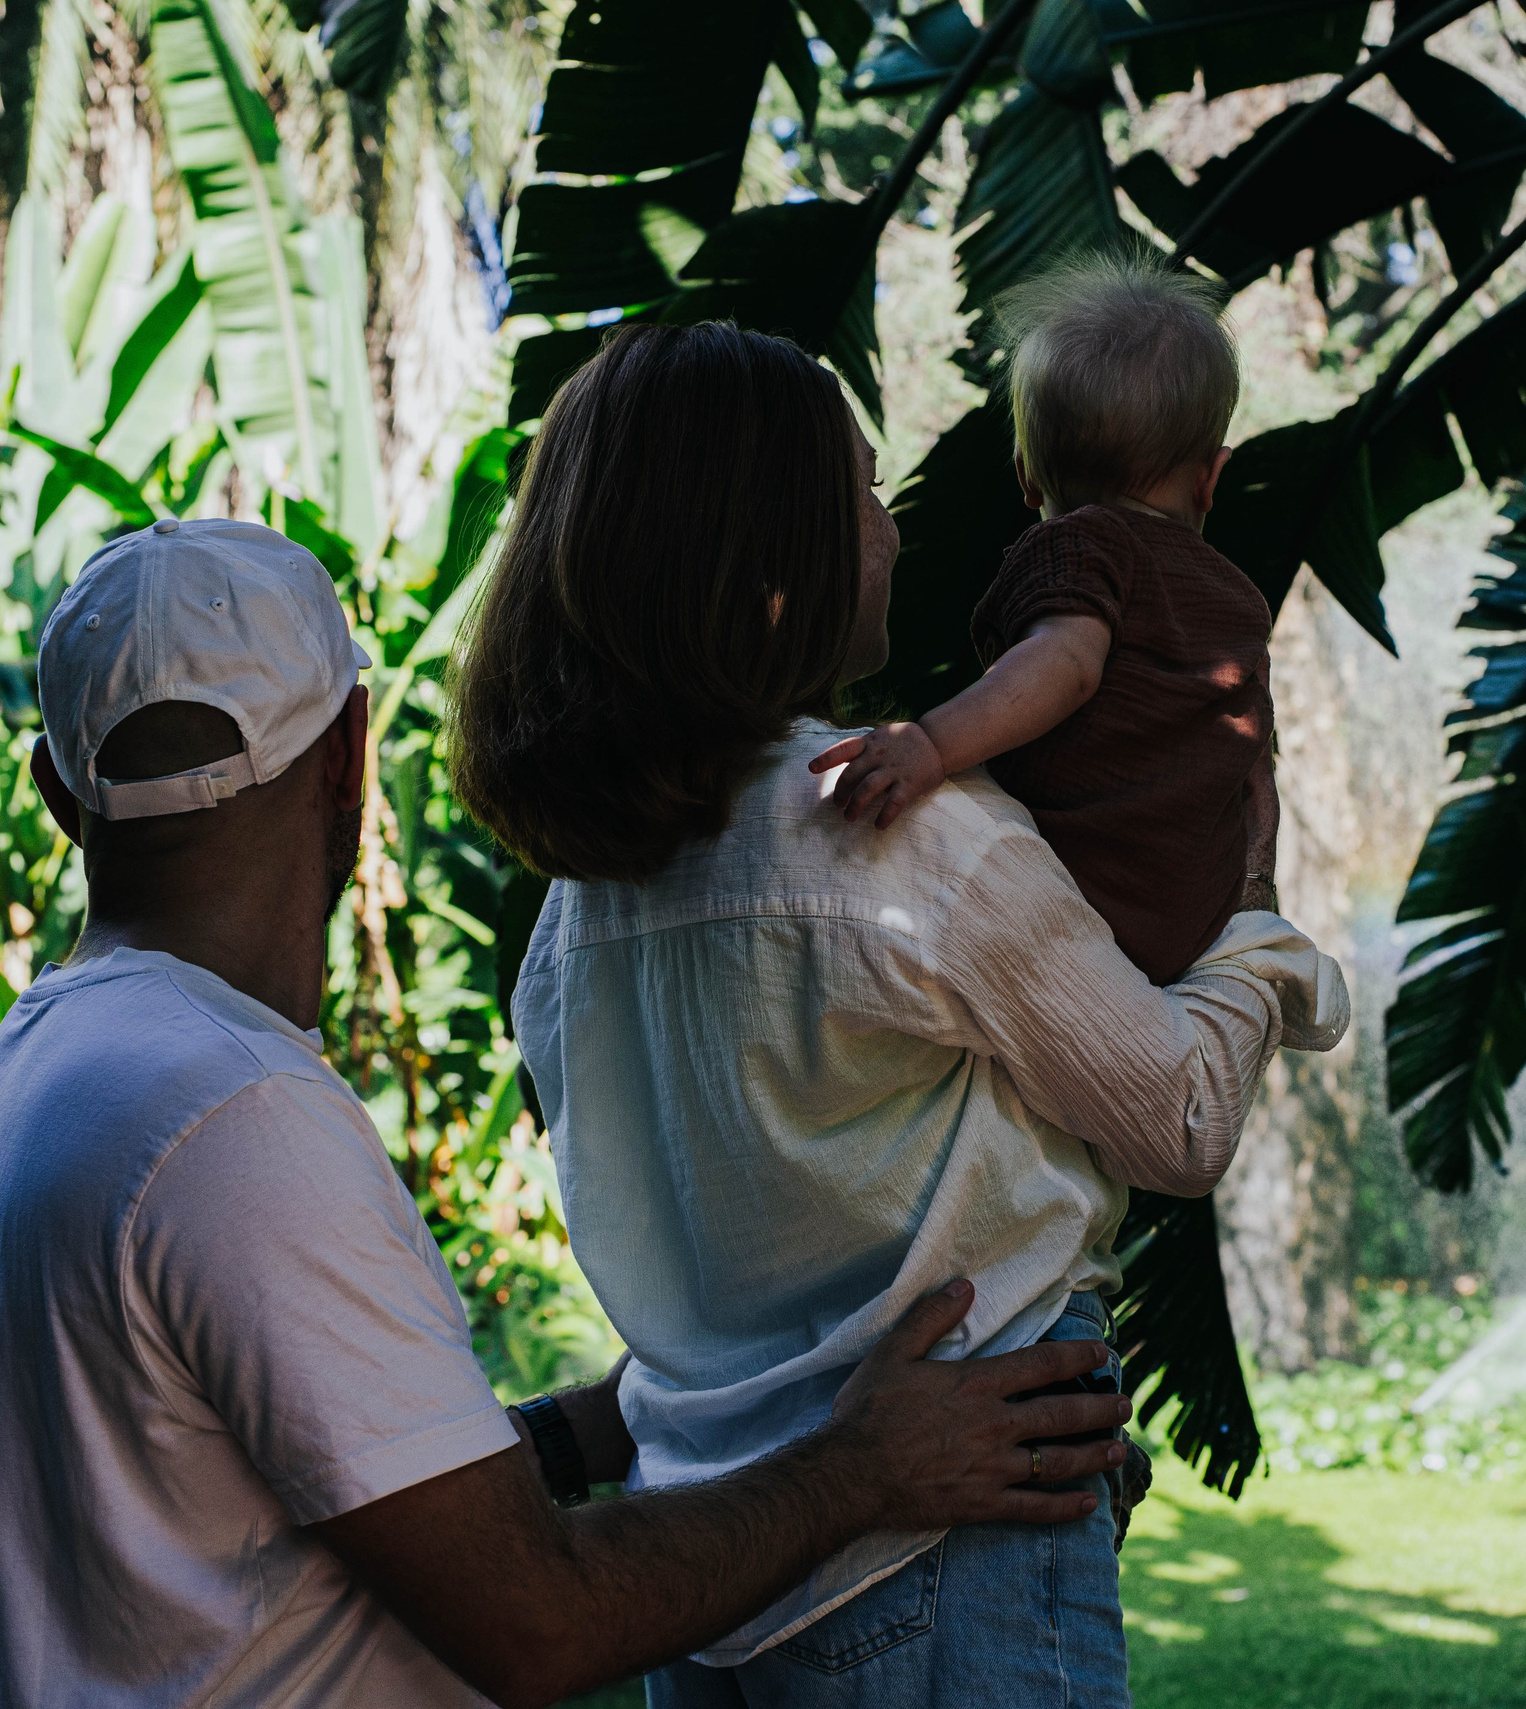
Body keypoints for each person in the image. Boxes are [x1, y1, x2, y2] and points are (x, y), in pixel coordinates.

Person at [0, 517, 1136, 1709]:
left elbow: (345, 1493)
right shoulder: (233, 1113)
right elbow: (537, 1619)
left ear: (56, 793)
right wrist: (861, 1468)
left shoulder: (41, 1072)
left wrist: (654, 1406)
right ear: (350, 749)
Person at [448, 321, 1349, 1708]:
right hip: (939, 1556)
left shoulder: (584, 906)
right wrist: (1248, 908)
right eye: (864, 498)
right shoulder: (914, 842)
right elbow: (1179, 1119)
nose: (894, 530)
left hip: (709, 1585)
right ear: (767, 582)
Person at [816, 256, 1280, 979]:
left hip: (1084, 895)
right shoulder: (1240, 600)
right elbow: (1252, 760)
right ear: (1211, 478)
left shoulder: (1080, 544)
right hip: (1199, 920)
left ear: (1028, 477)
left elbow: (1067, 661)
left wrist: (932, 743)